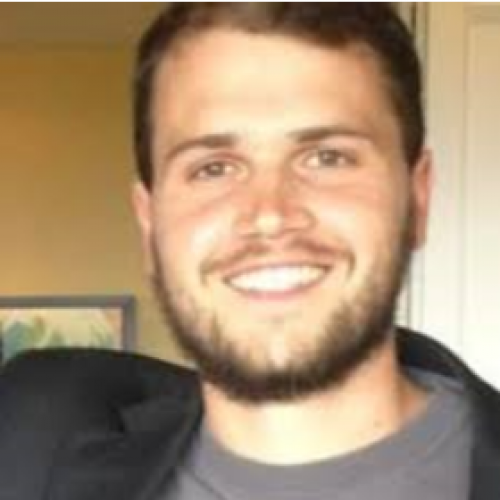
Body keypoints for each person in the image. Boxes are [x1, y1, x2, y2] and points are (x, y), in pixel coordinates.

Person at [1, 3, 500, 500]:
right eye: (213, 168)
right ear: (149, 222)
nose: (269, 215)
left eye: (327, 158)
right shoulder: (36, 448)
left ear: (417, 198)